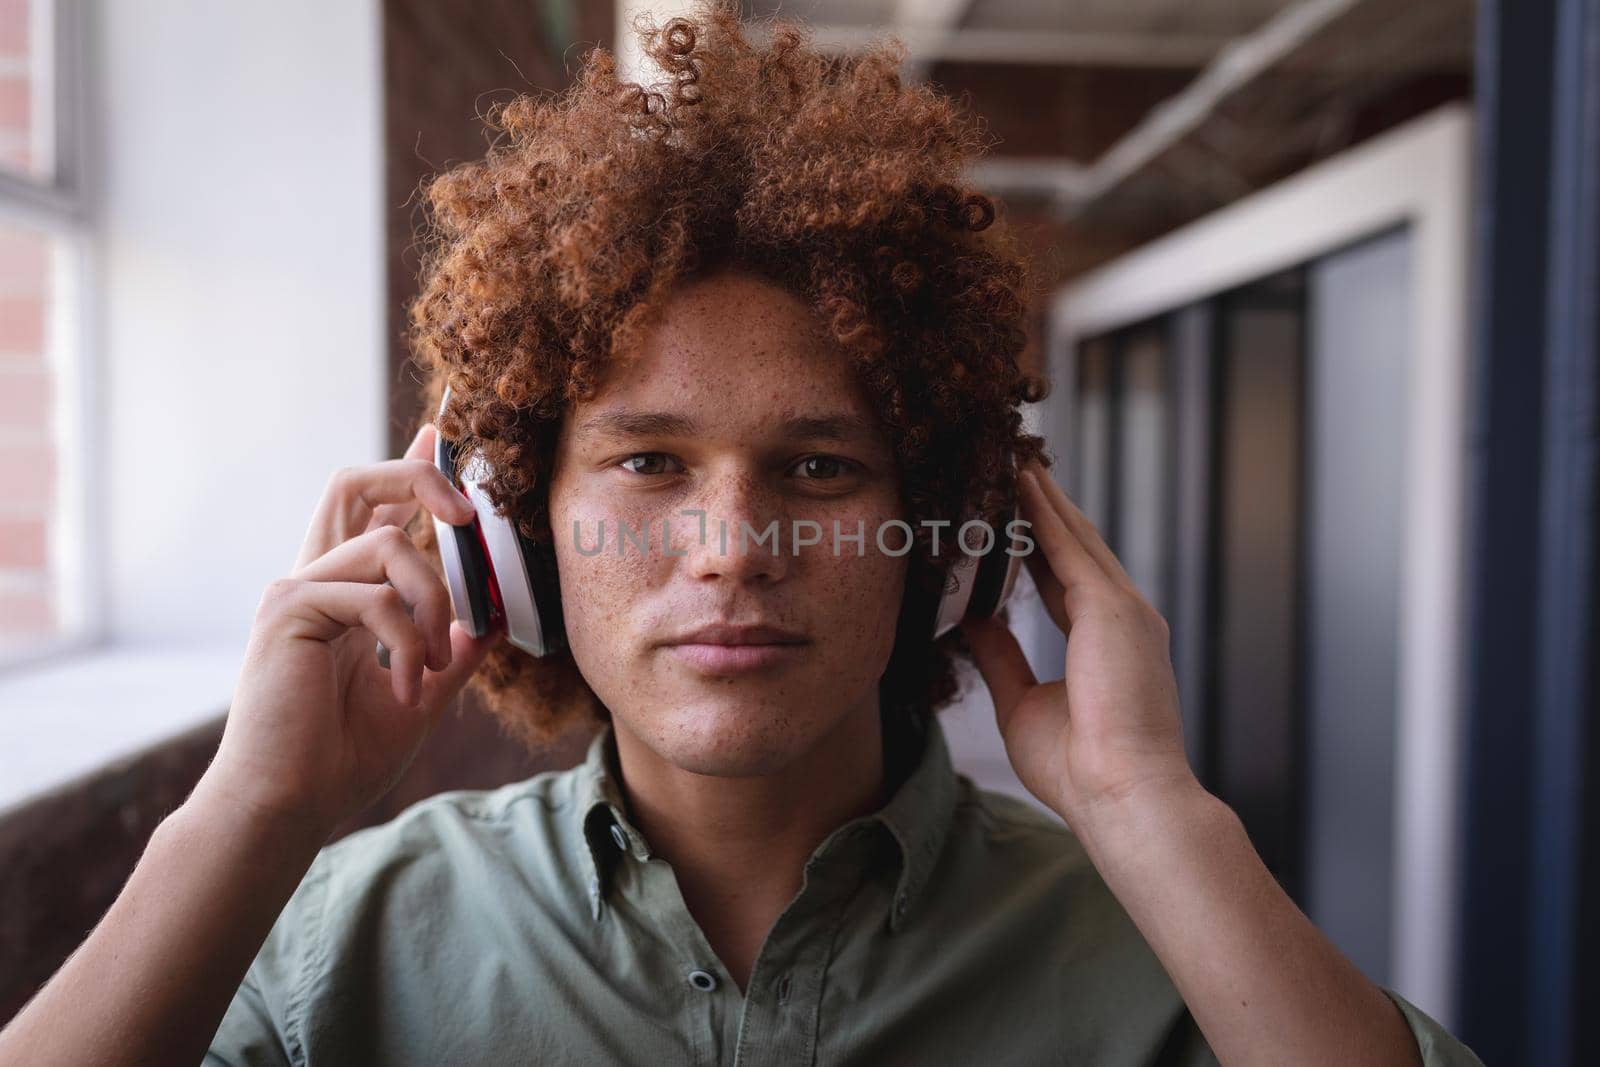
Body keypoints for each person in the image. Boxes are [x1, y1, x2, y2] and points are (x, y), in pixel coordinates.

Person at [0, 2, 1484, 1064]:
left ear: (952, 538)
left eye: (822, 469)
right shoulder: (344, 938)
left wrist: (1157, 816)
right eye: (648, 463)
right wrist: (249, 815)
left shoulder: (1162, 945)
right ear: (508, 535)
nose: (730, 546)